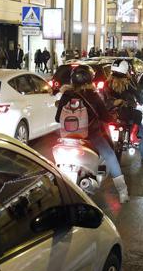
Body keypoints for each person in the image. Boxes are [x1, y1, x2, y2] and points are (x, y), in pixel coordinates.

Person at [55, 65, 131, 203]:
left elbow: (57, 118)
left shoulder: (66, 95)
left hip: (67, 138)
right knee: (110, 155)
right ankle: (123, 192)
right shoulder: (94, 96)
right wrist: (114, 119)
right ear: (90, 79)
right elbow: (105, 117)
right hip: (91, 136)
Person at [103, 60, 143, 163]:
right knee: (140, 126)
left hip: (110, 114)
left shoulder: (107, 82)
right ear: (125, 69)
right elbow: (139, 94)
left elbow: (103, 98)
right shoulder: (128, 82)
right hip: (126, 113)